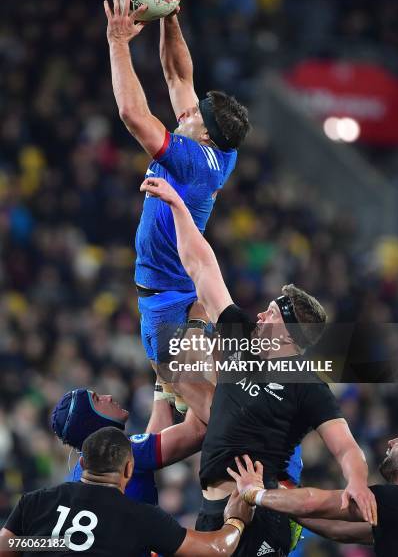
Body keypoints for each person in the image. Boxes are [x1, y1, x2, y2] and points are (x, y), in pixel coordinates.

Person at [138, 176, 377, 556]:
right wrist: (179, 208)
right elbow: (202, 267)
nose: (262, 313)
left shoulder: (306, 383)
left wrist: (358, 482)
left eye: (273, 312)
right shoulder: (243, 337)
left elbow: (345, 446)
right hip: (212, 508)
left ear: (289, 334)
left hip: (258, 511)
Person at [103, 0, 250, 412]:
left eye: (196, 114)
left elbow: (133, 114)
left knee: (194, 400)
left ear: (204, 134)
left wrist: (117, 43)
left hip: (164, 298)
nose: (186, 112)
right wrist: (170, 16)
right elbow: (178, 78)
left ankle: (249, 454)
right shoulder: (213, 143)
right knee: (174, 406)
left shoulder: (192, 161)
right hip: (183, 289)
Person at [0, 427, 253, 557]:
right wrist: (236, 520)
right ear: (129, 469)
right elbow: (217, 549)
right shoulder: (142, 518)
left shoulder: (35, 500)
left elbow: (6, 547)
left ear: (82, 464)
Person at [229, 430, 398, 557]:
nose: (391, 441)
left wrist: (255, 493)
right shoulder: (395, 514)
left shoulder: (396, 499)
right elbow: (339, 531)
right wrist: (287, 506)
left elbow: (311, 502)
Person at [51, 388, 206, 506]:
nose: (108, 397)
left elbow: (152, 442)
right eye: (97, 400)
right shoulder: (122, 453)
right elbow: (197, 431)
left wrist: (162, 381)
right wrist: (192, 374)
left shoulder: (74, 478)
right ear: (91, 421)